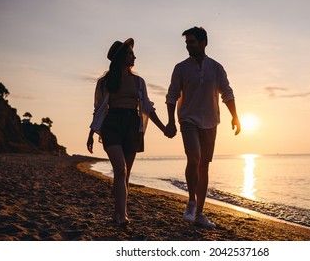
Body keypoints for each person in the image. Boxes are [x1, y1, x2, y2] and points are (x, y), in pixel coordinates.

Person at [165, 27, 241, 228]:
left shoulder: (216, 68)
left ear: (203, 42)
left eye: (192, 42)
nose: (188, 46)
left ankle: (199, 213)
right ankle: (190, 203)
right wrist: (171, 121)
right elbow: (172, 94)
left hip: (210, 121)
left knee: (204, 165)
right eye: (187, 42)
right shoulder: (180, 68)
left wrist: (235, 117)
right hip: (188, 119)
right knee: (194, 157)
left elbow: (227, 92)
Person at [87, 38, 166, 225]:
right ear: (121, 57)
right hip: (112, 124)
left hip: (132, 126)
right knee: (120, 171)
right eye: (130, 53)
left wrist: (164, 128)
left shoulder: (139, 82)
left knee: (125, 175)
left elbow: (147, 108)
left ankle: (117, 213)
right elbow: (98, 108)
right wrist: (91, 133)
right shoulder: (104, 82)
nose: (134, 56)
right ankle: (123, 216)